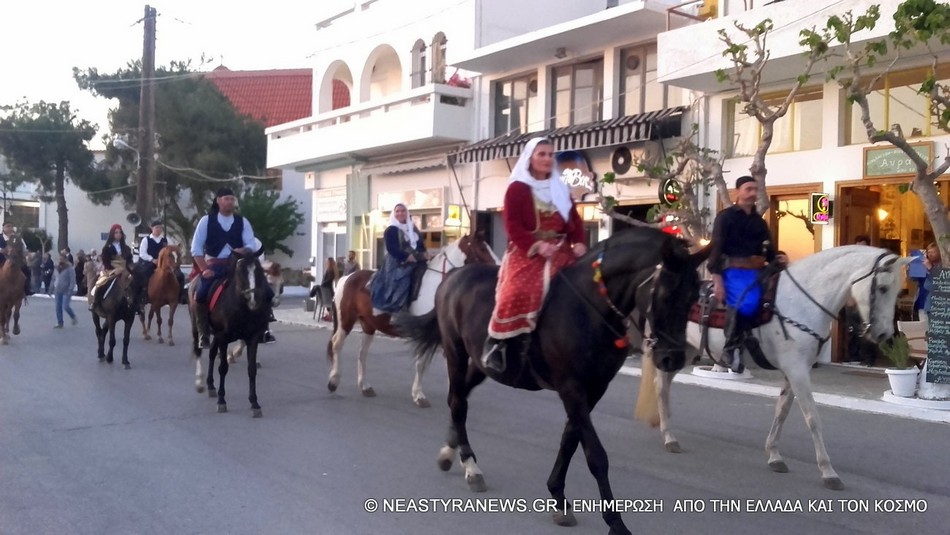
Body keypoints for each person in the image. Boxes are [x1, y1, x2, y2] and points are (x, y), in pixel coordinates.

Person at [481, 137, 587, 373]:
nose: (548, 159)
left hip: (560, 249)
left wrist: (578, 242)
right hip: (527, 250)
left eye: (551, 154)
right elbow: (512, 226)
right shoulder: (517, 188)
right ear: (530, 158)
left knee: (589, 283)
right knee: (517, 289)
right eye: (542, 154)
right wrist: (538, 246)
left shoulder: (560, 187)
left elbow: (575, 222)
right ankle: (497, 341)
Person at [708, 175, 787, 373]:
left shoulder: (760, 222)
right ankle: (731, 347)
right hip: (735, 271)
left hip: (760, 269)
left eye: (755, 189)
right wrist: (717, 278)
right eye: (748, 189)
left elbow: (770, 252)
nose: (752, 193)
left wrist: (780, 259)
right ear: (738, 192)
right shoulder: (725, 217)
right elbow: (716, 249)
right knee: (748, 300)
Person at [190, 187, 274, 348]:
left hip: (239, 264)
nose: (230, 202)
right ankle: (204, 332)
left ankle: (263, 329)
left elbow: (250, 244)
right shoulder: (206, 221)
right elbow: (196, 248)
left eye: (232, 199)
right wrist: (204, 269)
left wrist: (242, 250)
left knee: (266, 290)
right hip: (214, 265)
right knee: (200, 293)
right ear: (218, 201)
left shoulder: (242, 222)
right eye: (226, 199)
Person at [370, 203, 430, 314]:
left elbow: (420, 244)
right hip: (398, 262)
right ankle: (396, 310)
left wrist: (424, 254)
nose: (400, 213)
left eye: (403, 211)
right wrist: (406, 257)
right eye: (397, 211)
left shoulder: (413, 228)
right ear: (394, 214)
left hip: (417, 260)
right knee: (403, 280)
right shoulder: (391, 229)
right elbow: (391, 248)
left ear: (407, 213)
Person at [135, 219, 186, 308]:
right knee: (144, 275)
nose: (159, 229)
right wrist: (152, 259)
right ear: (152, 228)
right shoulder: (146, 240)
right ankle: (143, 296)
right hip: (151, 263)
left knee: (180, 276)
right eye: (157, 227)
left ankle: (181, 296)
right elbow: (142, 253)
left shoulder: (166, 240)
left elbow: (172, 250)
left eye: (160, 228)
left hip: (166, 264)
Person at [0, 220, 33, 295]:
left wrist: (27, 254)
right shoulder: (0, 237)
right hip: (1, 260)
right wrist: (3, 250)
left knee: (27, 270)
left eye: (11, 226)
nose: (10, 228)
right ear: (3, 228)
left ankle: (27, 288)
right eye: (8, 226)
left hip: (16, 261)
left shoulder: (18, 238)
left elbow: (24, 248)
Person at [52, 253, 78, 328]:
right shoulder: (57, 268)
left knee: (66, 306)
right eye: (59, 259)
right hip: (57, 290)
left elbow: (73, 280)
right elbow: (53, 278)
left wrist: (70, 289)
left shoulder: (70, 269)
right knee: (58, 307)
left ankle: (73, 316)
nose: (60, 260)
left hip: (66, 290)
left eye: (62, 259)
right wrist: (51, 288)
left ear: (65, 260)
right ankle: (60, 322)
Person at [920, 242, 942, 327]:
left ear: (939, 253)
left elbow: (939, 284)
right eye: (928, 252)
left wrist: (930, 269)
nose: (930, 255)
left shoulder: (943, 266)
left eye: (933, 252)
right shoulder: (926, 264)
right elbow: (922, 283)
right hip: (926, 304)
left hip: (939, 307)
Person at [312, 257, 340, 321]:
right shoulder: (330, 270)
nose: (325, 263)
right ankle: (328, 315)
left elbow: (328, 280)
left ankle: (329, 315)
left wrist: (321, 285)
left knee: (327, 301)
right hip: (328, 290)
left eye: (327, 262)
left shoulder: (330, 271)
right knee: (329, 302)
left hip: (327, 290)